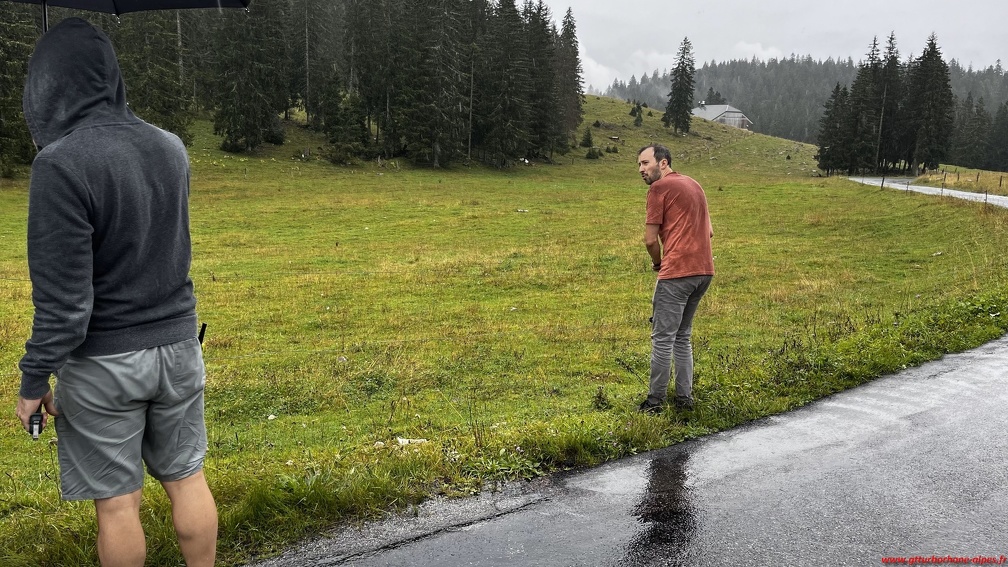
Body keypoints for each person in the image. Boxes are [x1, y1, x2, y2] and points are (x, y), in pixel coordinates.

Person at [14, 18, 217, 567]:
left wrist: (33, 381)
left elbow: (65, 305)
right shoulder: (170, 147)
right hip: (179, 348)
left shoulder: (60, 164)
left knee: (118, 505)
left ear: (48, 85)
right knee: (187, 479)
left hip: (105, 363)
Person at [636, 144, 714, 413]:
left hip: (677, 272)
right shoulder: (694, 185)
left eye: (646, 163)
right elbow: (710, 232)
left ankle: (654, 402)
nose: (641, 169)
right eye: (639, 165)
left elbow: (649, 240)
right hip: (704, 271)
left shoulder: (658, 189)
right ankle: (684, 400)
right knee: (682, 336)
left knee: (663, 338)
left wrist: (658, 263)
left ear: (663, 162)